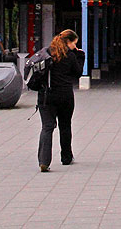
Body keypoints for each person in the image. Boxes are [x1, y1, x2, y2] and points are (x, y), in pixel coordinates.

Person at [37, 29, 85, 172]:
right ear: (68, 42)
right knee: (65, 125)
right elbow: (78, 73)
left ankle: (44, 161)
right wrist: (80, 55)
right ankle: (66, 157)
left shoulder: (46, 53)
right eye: (74, 44)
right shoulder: (70, 56)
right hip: (64, 96)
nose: (74, 46)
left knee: (47, 127)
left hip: (45, 95)